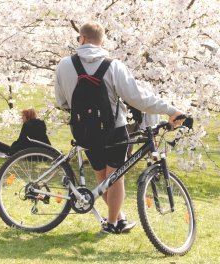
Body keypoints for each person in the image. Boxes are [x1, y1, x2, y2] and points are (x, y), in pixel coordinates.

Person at [54, 21, 185, 234]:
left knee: (102, 177)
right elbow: (138, 98)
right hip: (113, 130)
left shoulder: (64, 65)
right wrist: (170, 110)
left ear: (82, 38)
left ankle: (118, 217)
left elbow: (61, 101)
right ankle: (113, 223)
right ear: (102, 41)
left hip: (83, 131)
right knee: (115, 177)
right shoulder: (113, 65)